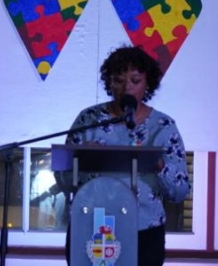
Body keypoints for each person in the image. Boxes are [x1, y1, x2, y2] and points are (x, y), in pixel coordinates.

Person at [61, 45, 191, 266]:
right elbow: (64, 181)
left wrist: (160, 166)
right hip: (92, 226)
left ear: (147, 83)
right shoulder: (89, 119)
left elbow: (179, 192)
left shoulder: (163, 126)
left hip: (144, 230)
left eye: (135, 80)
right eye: (118, 81)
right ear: (109, 83)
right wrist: (81, 160)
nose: (126, 87)